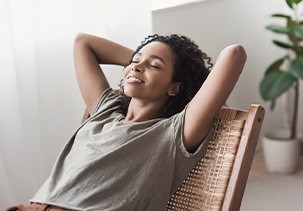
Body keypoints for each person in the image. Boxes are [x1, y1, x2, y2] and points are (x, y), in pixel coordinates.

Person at [7, 33, 246, 211]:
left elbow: (234, 54)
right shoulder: (105, 109)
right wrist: (141, 67)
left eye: (154, 65)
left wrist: (167, 70)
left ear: (174, 87)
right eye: (134, 60)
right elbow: (83, 42)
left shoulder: (173, 133)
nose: (137, 65)